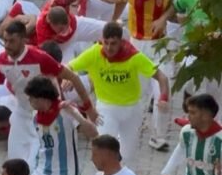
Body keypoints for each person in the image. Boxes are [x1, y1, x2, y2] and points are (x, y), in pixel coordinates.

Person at [0, 21, 97, 166]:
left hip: (43, 117)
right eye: (5, 40)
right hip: (21, 115)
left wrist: (89, 107)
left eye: (12, 41)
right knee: (14, 164)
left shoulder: (39, 57)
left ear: (24, 40)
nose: (7, 45)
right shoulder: (1, 61)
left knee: (36, 164)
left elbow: (73, 77)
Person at [69, 22, 170, 166]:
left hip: (132, 110)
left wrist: (163, 98)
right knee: (105, 151)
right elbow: (68, 67)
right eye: (106, 43)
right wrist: (70, 77)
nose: (109, 48)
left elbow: (162, 77)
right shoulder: (94, 53)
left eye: (113, 44)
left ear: (121, 41)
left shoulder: (134, 56)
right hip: (106, 109)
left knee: (127, 157)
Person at [113, 0, 175, 151]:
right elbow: (119, 1)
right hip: (137, 45)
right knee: (138, 92)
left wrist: (163, 18)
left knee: (164, 90)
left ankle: (158, 136)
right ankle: (131, 128)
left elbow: (174, 8)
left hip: (160, 45)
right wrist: (113, 20)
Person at [24, 76, 98, 175]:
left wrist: (77, 115)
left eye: (31, 98)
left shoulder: (66, 111)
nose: (29, 101)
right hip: (42, 171)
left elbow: (93, 133)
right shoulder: (35, 115)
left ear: (42, 98)